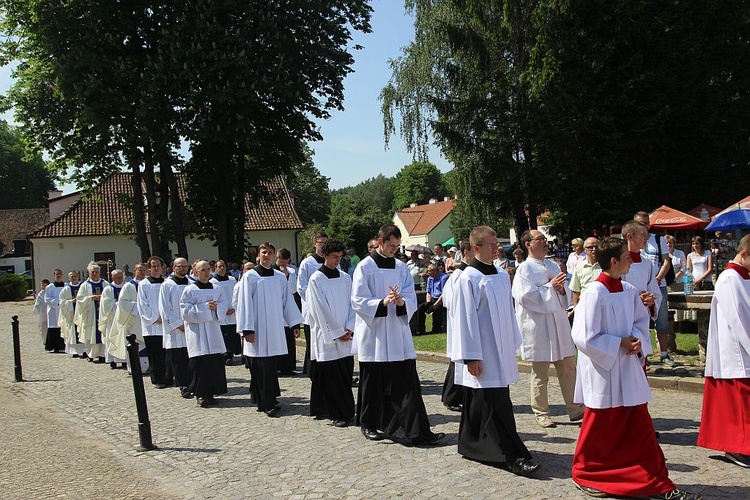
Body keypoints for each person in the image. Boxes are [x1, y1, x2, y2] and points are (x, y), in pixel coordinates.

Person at [571, 237, 700, 500]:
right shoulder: (594, 293)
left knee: (639, 424)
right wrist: (618, 342)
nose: (632, 260)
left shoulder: (629, 289)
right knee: (599, 426)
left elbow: (641, 321)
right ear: (614, 261)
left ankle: (653, 479)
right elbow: (583, 336)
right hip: (603, 371)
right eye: (627, 257)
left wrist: (638, 340)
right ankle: (587, 472)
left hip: (627, 367)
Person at [452, 226, 539, 476]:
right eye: (489, 244)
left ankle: (472, 444)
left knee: (487, 400)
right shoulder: (467, 278)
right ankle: (511, 455)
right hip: (482, 350)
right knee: (494, 402)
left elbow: (509, 312)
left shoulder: (501, 275)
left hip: (501, 350)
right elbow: (464, 319)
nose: (495, 247)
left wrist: (513, 342)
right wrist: (470, 356)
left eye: (495, 243)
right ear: (475, 248)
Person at [351, 224, 445, 445]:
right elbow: (357, 300)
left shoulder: (401, 268)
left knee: (407, 382)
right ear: (381, 242)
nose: (395, 250)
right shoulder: (365, 267)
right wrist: (381, 303)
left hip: (397, 331)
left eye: (396, 246)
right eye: (391, 246)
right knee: (372, 382)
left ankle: (416, 430)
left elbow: (410, 296)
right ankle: (369, 424)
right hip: (374, 334)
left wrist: (402, 302)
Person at [512, 230, 583, 428]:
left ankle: (575, 407)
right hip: (538, 325)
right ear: (528, 244)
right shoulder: (524, 269)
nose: (545, 242)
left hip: (558, 323)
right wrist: (550, 287)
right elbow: (525, 297)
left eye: (545, 239)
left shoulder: (552, 264)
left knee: (568, 367)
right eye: (540, 239)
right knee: (540, 373)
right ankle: (541, 412)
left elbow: (565, 295)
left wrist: (560, 290)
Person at [697, 234, 750, 468]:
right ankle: (739, 448)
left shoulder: (744, 276)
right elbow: (740, 317)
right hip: (737, 350)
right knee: (740, 403)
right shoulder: (730, 277)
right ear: (745, 254)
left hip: (743, 348)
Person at [236, 242, 303, 417]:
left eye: (270, 253)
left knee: (271, 365)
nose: (267, 255)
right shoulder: (250, 277)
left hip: (274, 328)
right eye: (264, 252)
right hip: (256, 329)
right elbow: (244, 303)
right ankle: (264, 402)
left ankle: (271, 398)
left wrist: (294, 323)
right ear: (258, 255)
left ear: (274, 256)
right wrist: (247, 329)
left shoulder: (279, 277)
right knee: (259, 365)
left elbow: (287, 302)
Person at [307, 239, 357, 427]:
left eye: (340, 257)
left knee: (345, 374)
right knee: (331, 377)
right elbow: (319, 309)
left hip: (346, 333)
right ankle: (335, 413)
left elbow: (352, 305)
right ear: (325, 256)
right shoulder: (316, 279)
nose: (337, 260)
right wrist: (336, 331)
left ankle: (347, 410)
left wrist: (350, 327)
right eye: (334, 257)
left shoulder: (345, 278)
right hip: (327, 336)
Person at [181, 260, 229, 408]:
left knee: (213, 363)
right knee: (200, 364)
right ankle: (201, 394)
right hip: (198, 332)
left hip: (213, 330)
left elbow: (224, 305)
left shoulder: (216, 288)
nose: (206, 272)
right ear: (196, 272)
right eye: (203, 270)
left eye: (208, 269)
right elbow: (185, 311)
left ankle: (211, 393)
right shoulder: (189, 290)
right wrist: (204, 307)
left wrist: (217, 307)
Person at [633, 211, 674, 366]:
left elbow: (666, 262)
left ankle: (664, 353)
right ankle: (644, 354)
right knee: (640, 321)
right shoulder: (632, 241)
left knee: (662, 320)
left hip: (659, 284)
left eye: (646, 222)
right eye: (640, 223)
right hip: (640, 286)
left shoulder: (658, 239)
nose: (644, 225)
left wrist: (656, 279)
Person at [620, 220, 662, 358]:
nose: (647, 238)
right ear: (630, 237)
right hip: (624, 318)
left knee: (641, 361)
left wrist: (651, 301)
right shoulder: (618, 262)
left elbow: (654, 291)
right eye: (643, 234)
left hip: (641, 317)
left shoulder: (647, 263)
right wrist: (636, 300)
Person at [440, 240, 472, 412]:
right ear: (467, 252)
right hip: (459, 321)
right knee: (459, 361)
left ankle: (453, 395)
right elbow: (449, 300)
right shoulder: (459, 275)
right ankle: (451, 397)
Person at [160, 257, 193, 397]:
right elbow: (164, 308)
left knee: (190, 358)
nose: (184, 268)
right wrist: (177, 324)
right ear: (174, 268)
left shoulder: (192, 283)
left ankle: (193, 383)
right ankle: (183, 385)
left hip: (191, 326)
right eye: (180, 266)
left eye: (186, 266)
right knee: (178, 359)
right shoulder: (167, 285)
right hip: (176, 329)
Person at [297, 231, 329, 376]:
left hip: (329, 309)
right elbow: (301, 287)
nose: (322, 245)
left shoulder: (331, 261)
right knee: (313, 343)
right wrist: (316, 301)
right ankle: (312, 370)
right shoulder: (307, 263)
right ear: (314, 244)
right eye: (320, 242)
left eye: (325, 242)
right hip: (312, 309)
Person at [138, 256, 170, 387]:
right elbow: (142, 305)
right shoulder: (143, 284)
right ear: (149, 268)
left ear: (162, 268)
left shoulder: (167, 283)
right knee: (154, 354)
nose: (156, 268)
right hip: (152, 326)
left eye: (158, 265)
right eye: (153, 266)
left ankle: (168, 377)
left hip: (166, 324)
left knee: (166, 354)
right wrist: (154, 318)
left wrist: (167, 317)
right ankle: (157, 379)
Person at [111, 263, 147, 373]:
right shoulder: (128, 286)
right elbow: (122, 303)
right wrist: (137, 306)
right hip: (133, 319)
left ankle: (148, 367)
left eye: (144, 270)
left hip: (147, 319)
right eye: (139, 270)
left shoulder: (148, 284)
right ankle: (134, 368)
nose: (142, 272)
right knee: (134, 342)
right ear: (135, 270)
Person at [75, 262, 109, 363]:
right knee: (90, 334)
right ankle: (91, 354)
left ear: (99, 273)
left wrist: (103, 299)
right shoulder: (85, 285)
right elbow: (80, 300)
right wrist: (91, 298)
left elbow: (110, 297)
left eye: (96, 272)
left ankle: (103, 355)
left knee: (103, 332)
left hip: (102, 314)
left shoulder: (105, 284)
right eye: (92, 272)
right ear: (89, 273)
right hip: (90, 314)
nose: (95, 274)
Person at [273, 248, 300, 376]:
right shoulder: (271, 271)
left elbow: (293, 289)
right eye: (280, 259)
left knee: (289, 339)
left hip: (288, 307)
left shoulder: (292, 271)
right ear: (276, 258)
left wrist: (286, 276)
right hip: (275, 308)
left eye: (285, 260)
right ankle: (276, 366)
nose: (282, 262)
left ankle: (288, 367)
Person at [210, 259, 240, 366]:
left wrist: (234, 307)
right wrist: (222, 309)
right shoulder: (213, 282)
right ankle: (225, 355)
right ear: (216, 268)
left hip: (233, 311)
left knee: (232, 334)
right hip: (221, 312)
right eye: (219, 266)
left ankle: (231, 353)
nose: (222, 268)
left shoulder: (232, 280)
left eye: (223, 266)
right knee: (223, 334)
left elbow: (236, 294)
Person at [99, 269, 126, 369]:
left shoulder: (126, 287)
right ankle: (112, 361)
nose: (120, 279)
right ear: (112, 277)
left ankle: (123, 360)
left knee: (122, 339)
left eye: (121, 277)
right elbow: (105, 305)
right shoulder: (108, 289)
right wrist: (118, 305)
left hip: (123, 318)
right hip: (111, 319)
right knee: (112, 338)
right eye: (118, 277)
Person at [416, 263, 448, 335]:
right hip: (433, 299)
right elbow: (428, 292)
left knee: (436, 308)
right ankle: (421, 329)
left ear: (435, 271)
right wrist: (428, 304)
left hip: (442, 300)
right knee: (421, 307)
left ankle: (436, 329)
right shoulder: (430, 279)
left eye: (430, 271)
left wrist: (434, 306)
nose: (428, 273)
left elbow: (443, 294)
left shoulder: (444, 278)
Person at [569, 237, 601, 307]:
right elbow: (576, 290)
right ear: (584, 249)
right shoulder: (580, 267)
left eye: (596, 247)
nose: (594, 250)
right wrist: (576, 308)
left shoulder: (606, 265)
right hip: (585, 305)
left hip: (602, 304)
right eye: (590, 247)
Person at [59, 271, 85, 357]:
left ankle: (85, 350)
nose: (73, 278)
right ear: (69, 278)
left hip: (81, 313)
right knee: (72, 332)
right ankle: (74, 351)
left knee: (83, 329)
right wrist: (71, 302)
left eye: (75, 276)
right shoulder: (66, 289)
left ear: (78, 277)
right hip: (71, 313)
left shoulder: (83, 287)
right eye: (71, 277)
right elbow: (62, 302)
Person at [43, 269, 66, 353]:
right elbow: (47, 299)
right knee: (54, 327)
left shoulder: (66, 286)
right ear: (54, 275)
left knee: (63, 327)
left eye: (60, 274)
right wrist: (58, 301)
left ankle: (63, 346)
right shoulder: (50, 287)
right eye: (57, 274)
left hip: (63, 309)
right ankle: (54, 346)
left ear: (62, 275)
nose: (58, 275)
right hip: (53, 310)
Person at [33, 279, 50, 345]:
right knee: (43, 327)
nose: (43, 287)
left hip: (51, 311)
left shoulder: (50, 291)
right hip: (43, 313)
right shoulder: (41, 294)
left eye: (44, 285)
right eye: (42, 285)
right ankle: (45, 340)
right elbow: (38, 304)